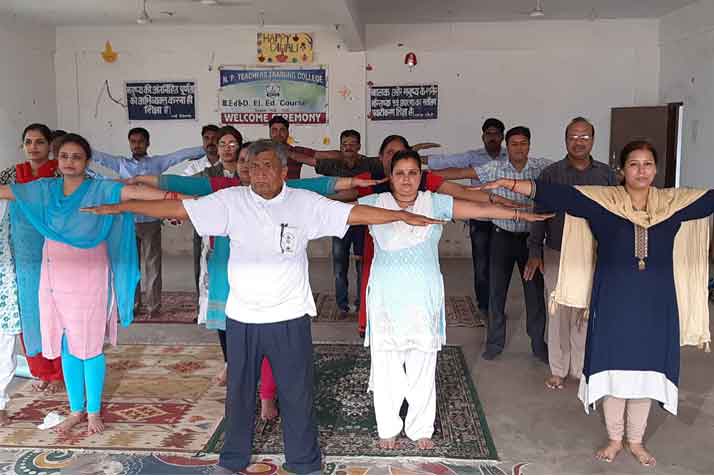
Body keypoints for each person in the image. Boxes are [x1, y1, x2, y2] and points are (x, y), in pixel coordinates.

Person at [83, 139, 443, 474]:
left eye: (267, 165)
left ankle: (303, 460)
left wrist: (402, 216)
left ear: (283, 171)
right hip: (243, 317)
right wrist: (123, 207)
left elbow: (356, 215)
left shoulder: (303, 202)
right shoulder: (231, 201)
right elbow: (179, 207)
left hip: (289, 316)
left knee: (297, 392)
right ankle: (233, 457)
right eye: (253, 166)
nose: (259, 173)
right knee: (239, 393)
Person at [479, 140, 714, 467]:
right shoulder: (604, 202)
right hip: (614, 301)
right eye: (634, 164)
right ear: (622, 169)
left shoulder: (673, 204)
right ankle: (615, 438)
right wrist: (510, 183)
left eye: (647, 164)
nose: (641, 171)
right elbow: (558, 195)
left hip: (656, 305)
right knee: (614, 371)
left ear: (656, 169)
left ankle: (636, 440)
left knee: (647, 373)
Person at [361, 150, 552, 450]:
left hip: (422, 296)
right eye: (400, 173)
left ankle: (420, 427)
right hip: (386, 298)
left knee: (423, 363)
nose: (406, 180)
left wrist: (520, 215)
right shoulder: (373, 204)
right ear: (390, 176)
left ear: (421, 176)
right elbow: (330, 210)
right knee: (386, 364)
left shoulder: (434, 203)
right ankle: (387, 426)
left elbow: (480, 210)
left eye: (413, 173)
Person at [0, 133, 183, 435]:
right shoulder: (45, 189)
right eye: (64, 156)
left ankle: (94, 411)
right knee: (67, 343)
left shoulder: (100, 188)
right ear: (56, 160)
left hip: (89, 275)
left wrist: (181, 199)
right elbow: (9, 192)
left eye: (76, 157)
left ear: (87, 161)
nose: (69, 162)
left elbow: (135, 192)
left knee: (90, 344)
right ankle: (76, 410)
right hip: (53, 275)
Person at [434, 126, 552, 361]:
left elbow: (566, 174)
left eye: (523, 143)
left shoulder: (543, 168)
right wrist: (424, 176)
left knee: (534, 295)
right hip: (502, 237)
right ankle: (495, 343)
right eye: (514, 144)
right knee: (496, 291)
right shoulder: (494, 168)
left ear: (529, 145)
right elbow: (460, 172)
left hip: (531, 241)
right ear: (508, 146)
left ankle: (539, 345)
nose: (519, 148)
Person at [525, 117, 619, 390]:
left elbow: (615, 215)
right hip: (557, 251)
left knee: (585, 311)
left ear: (593, 140)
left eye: (584, 137)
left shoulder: (606, 176)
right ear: (565, 140)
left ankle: (580, 368)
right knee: (558, 311)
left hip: (593, 254)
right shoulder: (551, 174)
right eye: (573, 137)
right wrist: (535, 251)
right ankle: (558, 369)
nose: (579, 142)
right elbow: (539, 214)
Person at [90, 127, 205, 318]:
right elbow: (98, 157)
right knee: (130, 265)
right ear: (129, 143)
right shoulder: (121, 163)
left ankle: (154, 306)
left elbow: (180, 155)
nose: (137, 145)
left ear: (147, 143)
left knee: (153, 265)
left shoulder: (157, 162)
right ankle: (132, 304)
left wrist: (205, 149)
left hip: (151, 221)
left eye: (140, 142)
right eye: (133, 142)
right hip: (128, 221)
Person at [0, 124, 64, 393]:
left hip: (57, 250)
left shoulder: (61, 172)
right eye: (28, 142)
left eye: (39, 142)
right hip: (24, 254)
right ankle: (42, 370)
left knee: (57, 311)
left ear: (50, 145)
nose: (33, 147)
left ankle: (60, 371)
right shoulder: (11, 174)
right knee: (30, 312)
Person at [425, 118, 508, 317]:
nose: (492, 137)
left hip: (505, 219)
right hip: (480, 218)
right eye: (488, 134)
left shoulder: (509, 156)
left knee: (500, 266)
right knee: (481, 265)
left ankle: (497, 306)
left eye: (496, 134)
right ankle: (484, 305)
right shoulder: (474, 156)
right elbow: (447, 161)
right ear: (483, 137)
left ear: (502, 137)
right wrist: (415, 159)